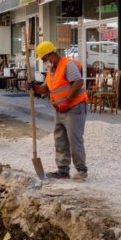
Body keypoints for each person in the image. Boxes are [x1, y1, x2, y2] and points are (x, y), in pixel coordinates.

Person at [31, 41, 89, 181]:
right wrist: (34, 86)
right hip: (60, 109)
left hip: (74, 107)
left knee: (74, 140)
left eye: (45, 59)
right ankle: (63, 170)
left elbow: (78, 82)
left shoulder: (67, 65)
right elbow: (46, 88)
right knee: (60, 139)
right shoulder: (52, 71)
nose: (45, 62)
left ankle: (81, 171)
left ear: (51, 55)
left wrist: (67, 101)